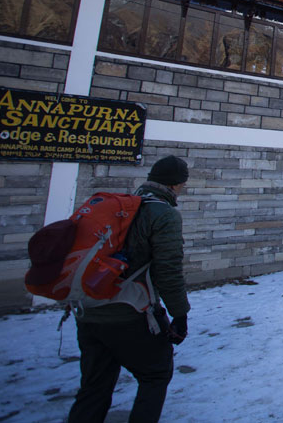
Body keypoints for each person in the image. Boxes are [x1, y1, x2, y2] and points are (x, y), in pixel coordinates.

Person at [68, 155, 192, 423]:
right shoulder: (163, 215)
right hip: (129, 312)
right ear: (177, 184)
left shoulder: (119, 208)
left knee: (94, 385)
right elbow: (167, 271)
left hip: (87, 309)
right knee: (156, 374)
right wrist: (180, 315)